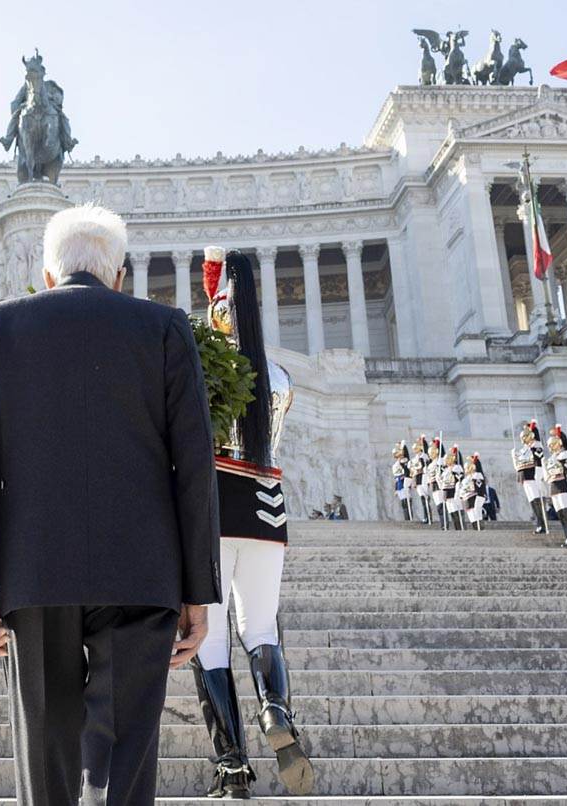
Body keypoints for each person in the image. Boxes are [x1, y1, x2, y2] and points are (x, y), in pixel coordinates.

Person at [0, 205, 220, 806]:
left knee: (45, 755)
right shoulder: (166, 328)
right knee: (126, 762)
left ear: (48, 276)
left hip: (34, 568)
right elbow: (195, 466)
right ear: (118, 276)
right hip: (142, 570)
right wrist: (198, 590)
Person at [190, 248, 312, 799]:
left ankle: (232, 765)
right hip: (267, 514)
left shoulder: (203, 373)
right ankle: (275, 710)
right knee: (261, 629)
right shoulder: (281, 377)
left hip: (214, 515)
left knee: (209, 642)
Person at [545, 425, 567, 547]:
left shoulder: (565, 454)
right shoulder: (551, 458)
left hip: (563, 485)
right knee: (560, 513)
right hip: (554, 486)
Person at [513, 419, 548, 534]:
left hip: (532, 475)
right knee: (532, 500)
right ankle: (539, 522)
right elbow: (518, 465)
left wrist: (539, 475)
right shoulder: (523, 449)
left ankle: (542, 524)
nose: (523, 438)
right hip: (525, 476)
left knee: (537, 500)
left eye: (526, 435)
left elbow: (539, 461)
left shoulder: (536, 445)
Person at [440, 446, 465, 531]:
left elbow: (458, 479)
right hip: (447, 492)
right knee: (451, 511)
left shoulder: (457, 468)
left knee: (456, 511)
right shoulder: (446, 470)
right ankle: (456, 528)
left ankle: (460, 528)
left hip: (453, 491)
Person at [460, 452, 487, 531]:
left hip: (474, 497)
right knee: (471, 516)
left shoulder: (477, 475)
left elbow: (478, 487)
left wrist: (479, 497)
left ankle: (480, 529)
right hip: (467, 498)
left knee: (476, 515)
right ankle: (476, 529)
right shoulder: (466, 478)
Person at [409, 435, 432, 525]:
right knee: (422, 498)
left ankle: (428, 517)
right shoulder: (415, 458)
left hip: (423, 477)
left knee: (425, 498)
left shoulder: (424, 456)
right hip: (417, 478)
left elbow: (424, 466)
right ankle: (425, 516)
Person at [427, 439, 448, 530]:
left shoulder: (442, 461)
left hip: (440, 485)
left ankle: (445, 524)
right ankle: (443, 523)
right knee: (438, 506)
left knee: (441, 505)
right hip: (434, 486)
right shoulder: (431, 464)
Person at [392, 441, 413, 521]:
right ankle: (406, 519)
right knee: (403, 503)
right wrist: (396, 489)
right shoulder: (395, 466)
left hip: (405, 482)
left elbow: (407, 471)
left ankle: (410, 518)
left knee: (407, 501)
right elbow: (396, 478)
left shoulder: (405, 461)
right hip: (400, 484)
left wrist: (403, 446)